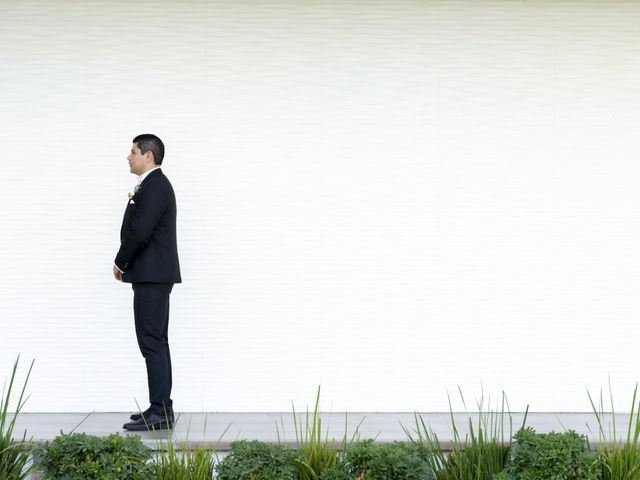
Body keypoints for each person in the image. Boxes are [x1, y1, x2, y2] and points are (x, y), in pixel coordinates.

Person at [113, 133, 181, 431]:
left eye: (132, 152)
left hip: (152, 276)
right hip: (153, 276)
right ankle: (161, 407)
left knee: (152, 342)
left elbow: (140, 232)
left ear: (148, 156)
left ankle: (160, 411)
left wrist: (120, 261)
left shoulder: (155, 186)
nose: (128, 157)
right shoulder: (153, 185)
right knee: (156, 341)